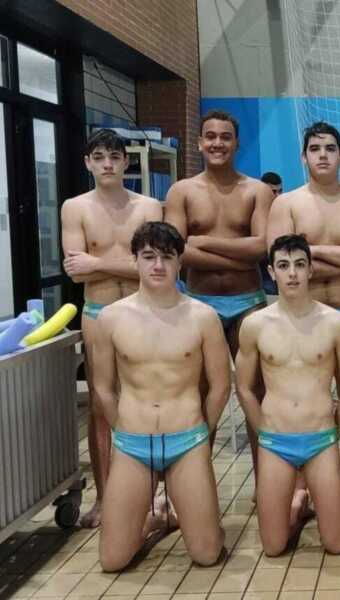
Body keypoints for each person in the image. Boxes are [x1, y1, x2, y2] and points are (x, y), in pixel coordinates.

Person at [92, 222, 229, 571]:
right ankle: (158, 521)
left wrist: (201, 433)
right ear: (135, 261)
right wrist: (121, 429)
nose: (157, 266)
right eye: (149, 257)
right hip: (132, 444)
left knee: (206, 554)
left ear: (179, 263)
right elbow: (104, 388)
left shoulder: (203, 317)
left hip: (187, 440)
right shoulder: (111, 318)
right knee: (112, 561)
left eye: (166, 258)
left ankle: (185, 516)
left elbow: (219, 386)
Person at [266, 121, 340, 511]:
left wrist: (311, 250)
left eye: (330, 148)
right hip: (304, 319)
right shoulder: (286, 204)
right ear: (304, 156)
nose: (322, 155)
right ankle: (303, 487)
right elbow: (282, 259)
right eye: (314, 148)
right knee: (304, 403)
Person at [61, 129, 163, 528]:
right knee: (104, 407)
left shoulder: (149, 205)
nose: (107, 163)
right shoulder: (75, 208)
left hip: (147, 312)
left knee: (153, 398)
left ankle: (154, 494)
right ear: (88, 162)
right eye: (98, 156)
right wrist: (130, 265)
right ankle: (104, 498)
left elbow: (158, 266)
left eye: (114, 157)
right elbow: (75, 266)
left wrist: (97, 263)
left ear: (125, 162)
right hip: (100, 311)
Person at [235, 234, 340, 556]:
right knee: (273, 548)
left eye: (300, 265)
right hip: (276, 441)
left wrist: (337, 431)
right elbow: (244, 387)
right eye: (284, 265)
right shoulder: (255, 325)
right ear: (272, 271)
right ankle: (299, 503)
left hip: (320, 439)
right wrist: (262, 428)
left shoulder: (336, 323)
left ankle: (302, 500)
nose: (292, 273)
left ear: (310, 270)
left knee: (335, 545)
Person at [164, 109, 273, 462]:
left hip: (249, 303)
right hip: (199, 303)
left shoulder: (256, 191)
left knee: (256, 392)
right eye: (210, 136)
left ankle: (266, 484)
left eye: (225, 137)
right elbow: (176, 253)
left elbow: (262, 248)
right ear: (199, 142)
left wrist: (203, 242)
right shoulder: (182, 191)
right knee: (199, 394)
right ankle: (195, 485)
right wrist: (240, 253)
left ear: (236, 143)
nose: (217, 143)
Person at [259, 171, 283, 298]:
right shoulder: (252, 214)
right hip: (259, 283)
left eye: (280, 191)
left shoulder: (285, 212)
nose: (277, 196)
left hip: (282, 281)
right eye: (273, 191)